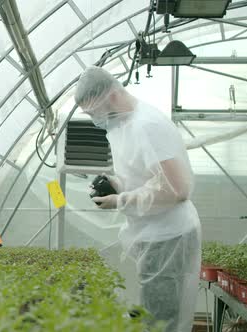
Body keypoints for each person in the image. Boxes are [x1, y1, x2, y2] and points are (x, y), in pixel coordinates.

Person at [75, 66, 202, 332]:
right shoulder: (122, 124)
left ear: (110, 95)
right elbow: (147, 178)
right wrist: (116, 185)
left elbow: (177, 189)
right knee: (152, 316)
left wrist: (121, 201)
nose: (95, 118)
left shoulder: (147, 125)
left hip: (169, 237)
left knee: (161, 321)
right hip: (153, 234)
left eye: (94, 110)